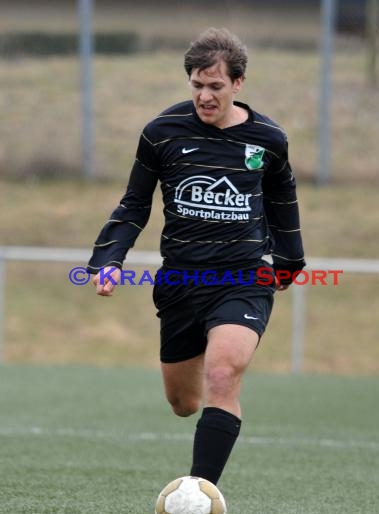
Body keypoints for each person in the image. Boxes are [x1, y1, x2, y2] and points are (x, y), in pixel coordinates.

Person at [87, 28, 305, 486]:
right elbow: (134, 203)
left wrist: (289, 261)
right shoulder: (161, 133)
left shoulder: (268, 139)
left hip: (243, 278)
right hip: (181, 283)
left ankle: (199, 493)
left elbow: (283, 202)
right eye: (197, 85)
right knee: (184, 403)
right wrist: (109, 258)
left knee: (223, 374)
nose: (205, 96)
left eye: (216, 86)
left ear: (238, 84)